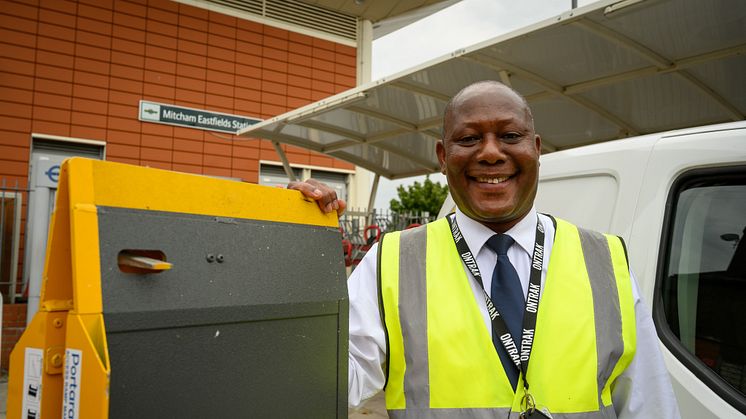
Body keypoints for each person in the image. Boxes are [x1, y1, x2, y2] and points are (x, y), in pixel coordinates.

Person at [291, 80, 680, 418]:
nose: (491, 152)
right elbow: (327, 383)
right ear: (443, 158)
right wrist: (282, 244)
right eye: (469, 138)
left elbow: (650, 406)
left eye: (510, 136)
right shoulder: (390, 262)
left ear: (536, 148)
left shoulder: (605, 261)